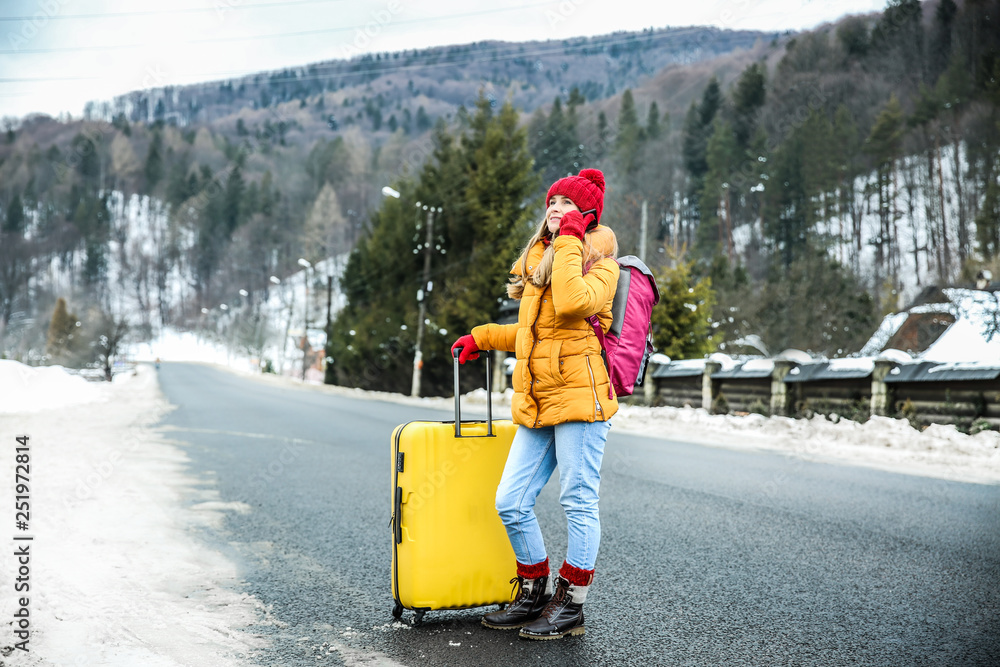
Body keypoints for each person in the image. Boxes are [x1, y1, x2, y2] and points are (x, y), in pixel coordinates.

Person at [451, 168, 619, 640]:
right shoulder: (542, 263)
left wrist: (569, 241)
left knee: (578, 501)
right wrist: (482, 337)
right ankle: (533, 591)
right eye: (551, 203)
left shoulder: (601, 264)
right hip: (540, 399)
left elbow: (570, 304)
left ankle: (572, 604)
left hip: (582, 399)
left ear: (586, 217)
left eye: (566, 205)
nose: (554, 209)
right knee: (511, 501)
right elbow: (533, 334)